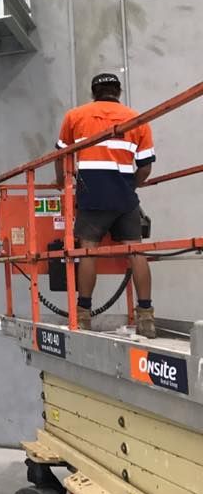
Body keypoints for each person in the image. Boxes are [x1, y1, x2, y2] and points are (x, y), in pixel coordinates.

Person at [54, 72, 156, 337]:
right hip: (124, 197)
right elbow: (145, 167)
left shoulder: (75, 117)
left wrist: (61, 183)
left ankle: (83, 315)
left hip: (92, 195)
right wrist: (130, 187)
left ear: (93, 93)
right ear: (118, 92)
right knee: (136, 251)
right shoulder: (137, 119)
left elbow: (60, 155)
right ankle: (146, 317)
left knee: (88, 252)